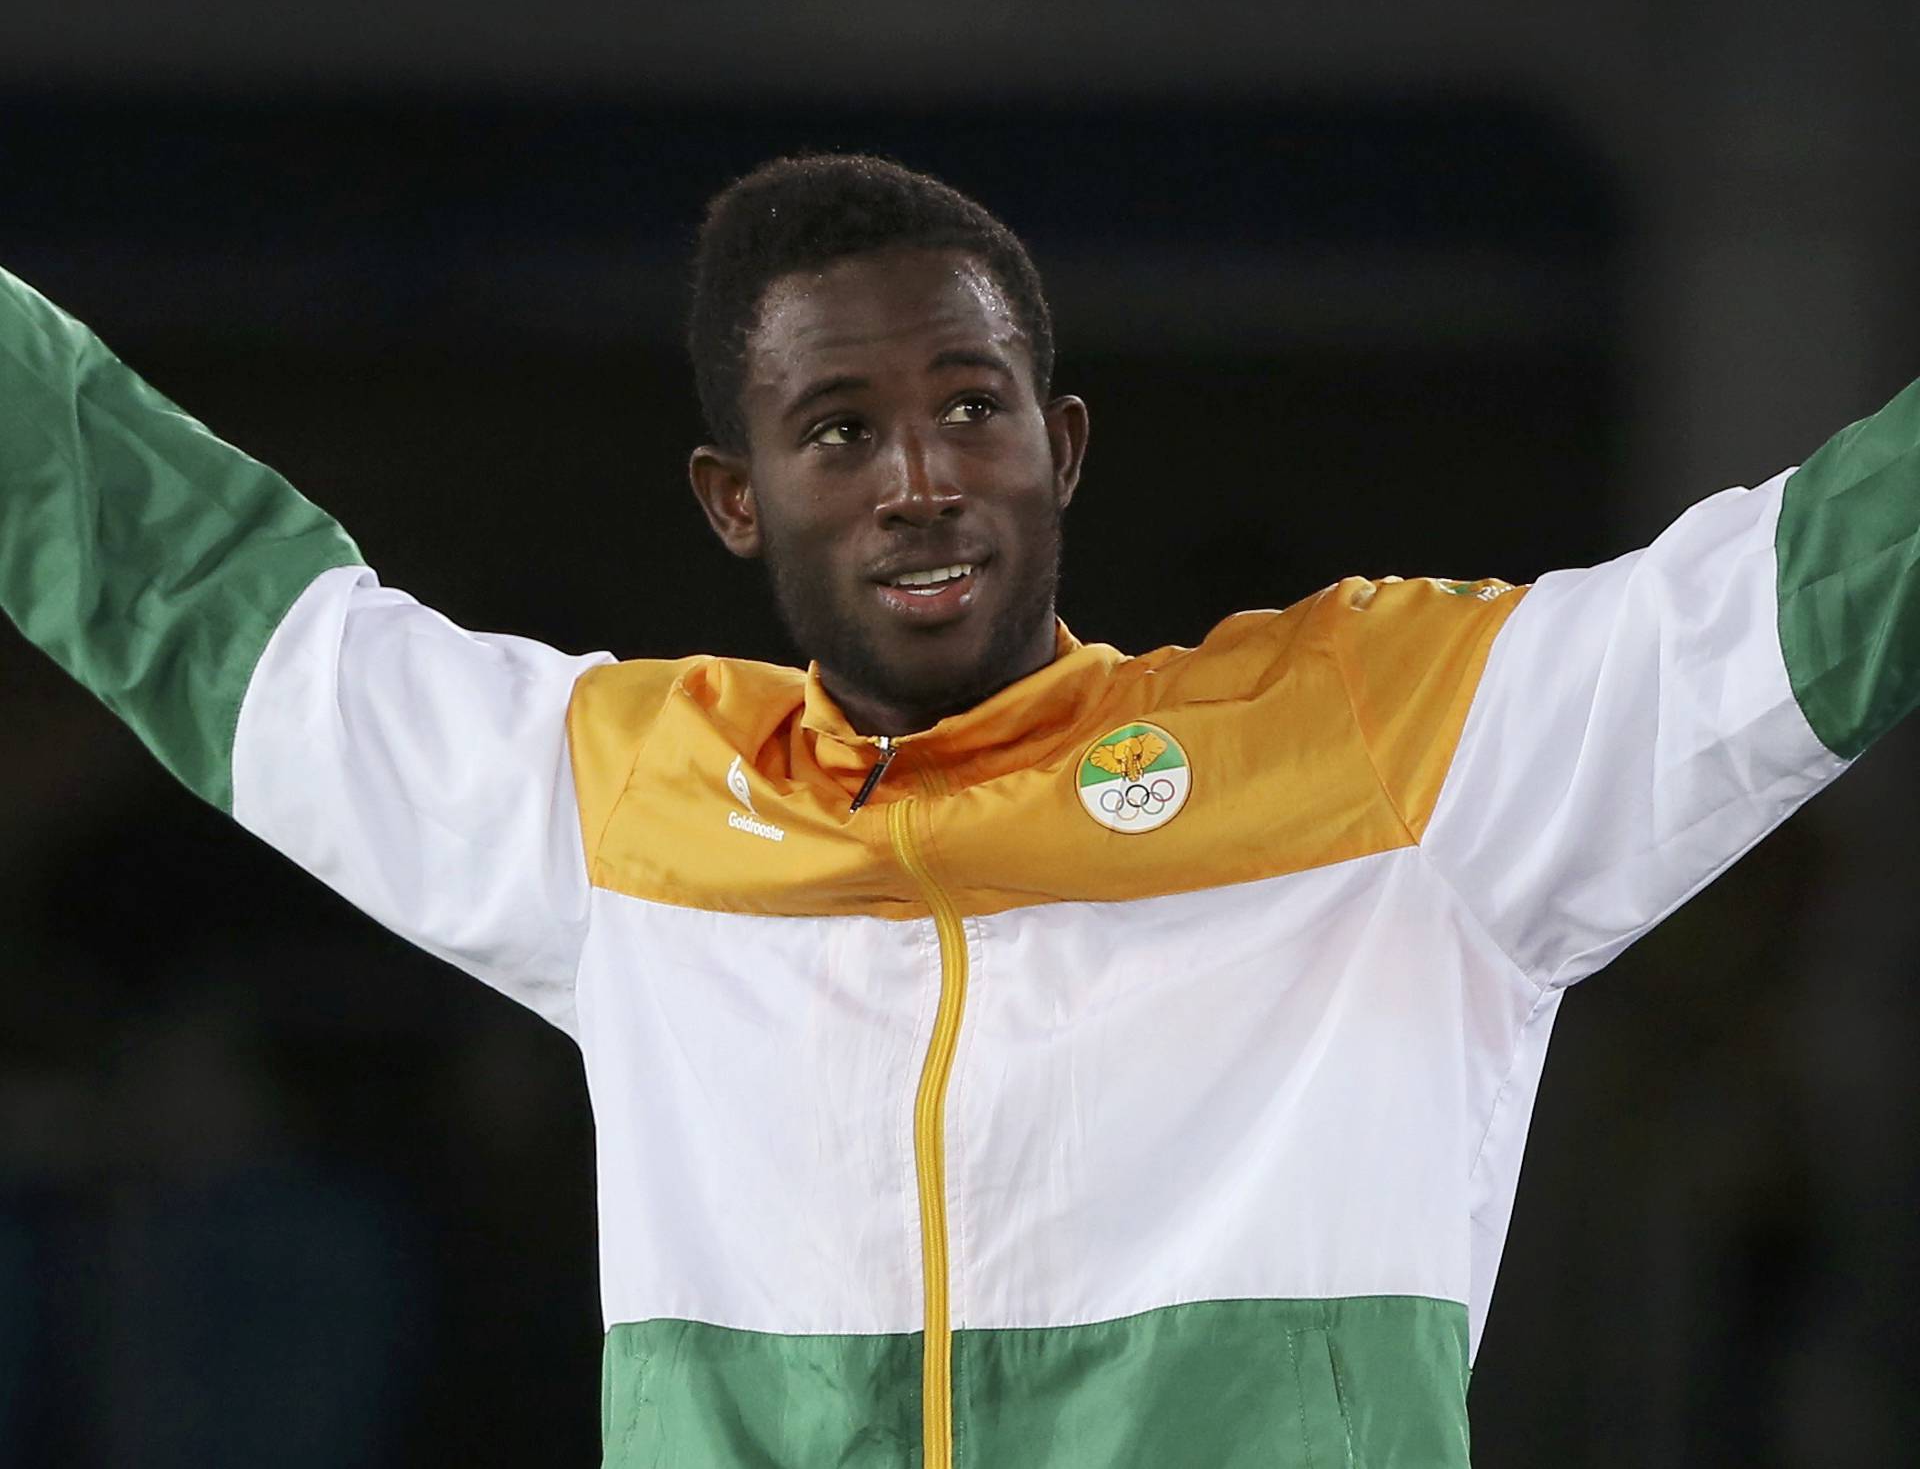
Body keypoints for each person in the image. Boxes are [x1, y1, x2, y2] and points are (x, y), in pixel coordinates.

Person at [1, 151, 1912, 1468]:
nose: (918, 473)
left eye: (972, 406)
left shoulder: (1382, 753)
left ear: (1057, 443)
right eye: (836, 428)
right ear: (733, 495)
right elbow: (212, 596)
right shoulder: (631, 809)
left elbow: (1800, 588)